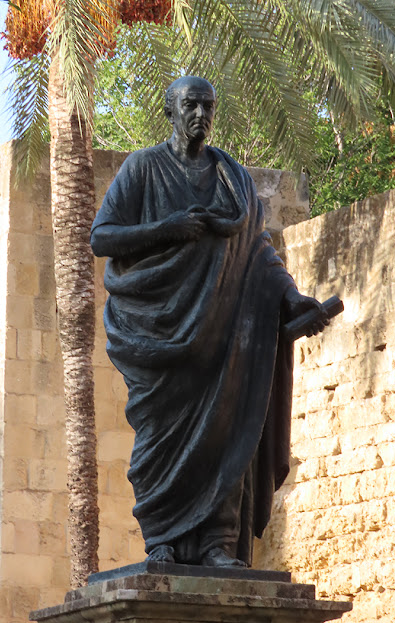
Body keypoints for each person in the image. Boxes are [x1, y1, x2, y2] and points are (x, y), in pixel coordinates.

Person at [91, 76, 327, 568]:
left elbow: (259, 254)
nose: (200, 114)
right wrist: (166, 229)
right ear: (169, 111)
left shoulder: (233, 180)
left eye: (207, 106)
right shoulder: (142, 169)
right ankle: (163, 540)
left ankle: (219, 543)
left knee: (225, 434)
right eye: (190, 105)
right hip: (159, 337)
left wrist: (292, 300)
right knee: (158, 439)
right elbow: (103, 237)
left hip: (225, 341)